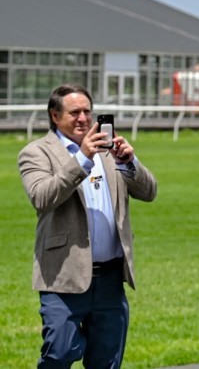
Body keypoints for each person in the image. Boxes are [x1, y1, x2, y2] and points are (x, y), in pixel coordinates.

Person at [18, 83, 158, 368]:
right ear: (55, 116)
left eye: (87, 111)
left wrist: (130, 163)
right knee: (59, 353)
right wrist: (82, 158)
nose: (83, 118)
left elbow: (149, 192)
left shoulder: (109, 151)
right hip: (62, 277)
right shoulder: (36, 152)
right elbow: (42, 197)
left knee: (107, 360)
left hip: (110, 278)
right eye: (74, 112)